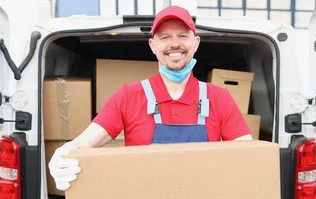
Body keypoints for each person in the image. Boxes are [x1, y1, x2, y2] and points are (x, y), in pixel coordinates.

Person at [48, 5, 253, 191]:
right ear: (152, 45)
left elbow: (249, 156)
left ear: (196, 43)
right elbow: (84, 143)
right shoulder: (128, 96)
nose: (175, 44)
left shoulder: (219, 97)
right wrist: (63, 155)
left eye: (182, 36)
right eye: (165, 37)